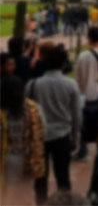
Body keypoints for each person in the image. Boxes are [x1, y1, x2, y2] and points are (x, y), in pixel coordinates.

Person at [26, 46, 81, 204]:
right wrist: (76, 138)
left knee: (40, 178)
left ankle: (41, 203)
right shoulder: (71, 84)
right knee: (63, 178)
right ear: (64, 64)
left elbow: (27, 113)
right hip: (62, 136)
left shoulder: (33, 85)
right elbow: (77, 115)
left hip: (39, 138)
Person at [0, 76, 46, 206]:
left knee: (6, 195)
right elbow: (43, 131)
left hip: (5, 159)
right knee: (25, 194)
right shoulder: (33, 108)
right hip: (28, 158)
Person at [74, 26, 98, 158]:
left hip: (87, 96)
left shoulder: (83, 56)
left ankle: (82, 151)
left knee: (83, 126)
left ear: (88, 38)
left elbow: (78, 78)